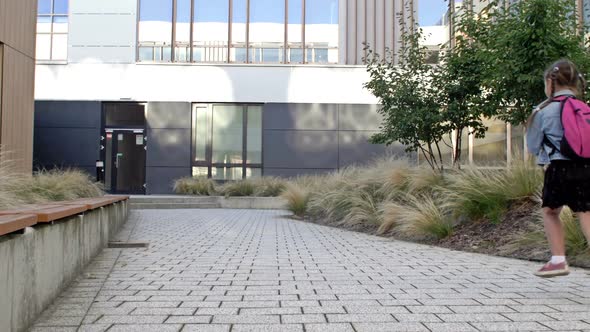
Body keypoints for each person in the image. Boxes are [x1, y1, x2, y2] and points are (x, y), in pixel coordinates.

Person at [526, 59, 590, 278]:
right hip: (586, 167)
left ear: (549, 83)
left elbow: (533, 146)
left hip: (559, 167)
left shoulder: (543, 110)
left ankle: (558, 259)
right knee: (585, 212)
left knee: (550, 211)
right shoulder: (585, 108)